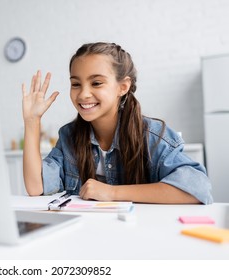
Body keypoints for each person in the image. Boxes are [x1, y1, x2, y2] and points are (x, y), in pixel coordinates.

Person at [22, 42, 213, 204]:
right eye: (76, 84)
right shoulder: (69, 136)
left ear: (123, 87)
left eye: (96, 83)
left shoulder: (153, 136)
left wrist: (112, 193)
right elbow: (36, 187)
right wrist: (32, 121)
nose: (83, 94)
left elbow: (198, 187)